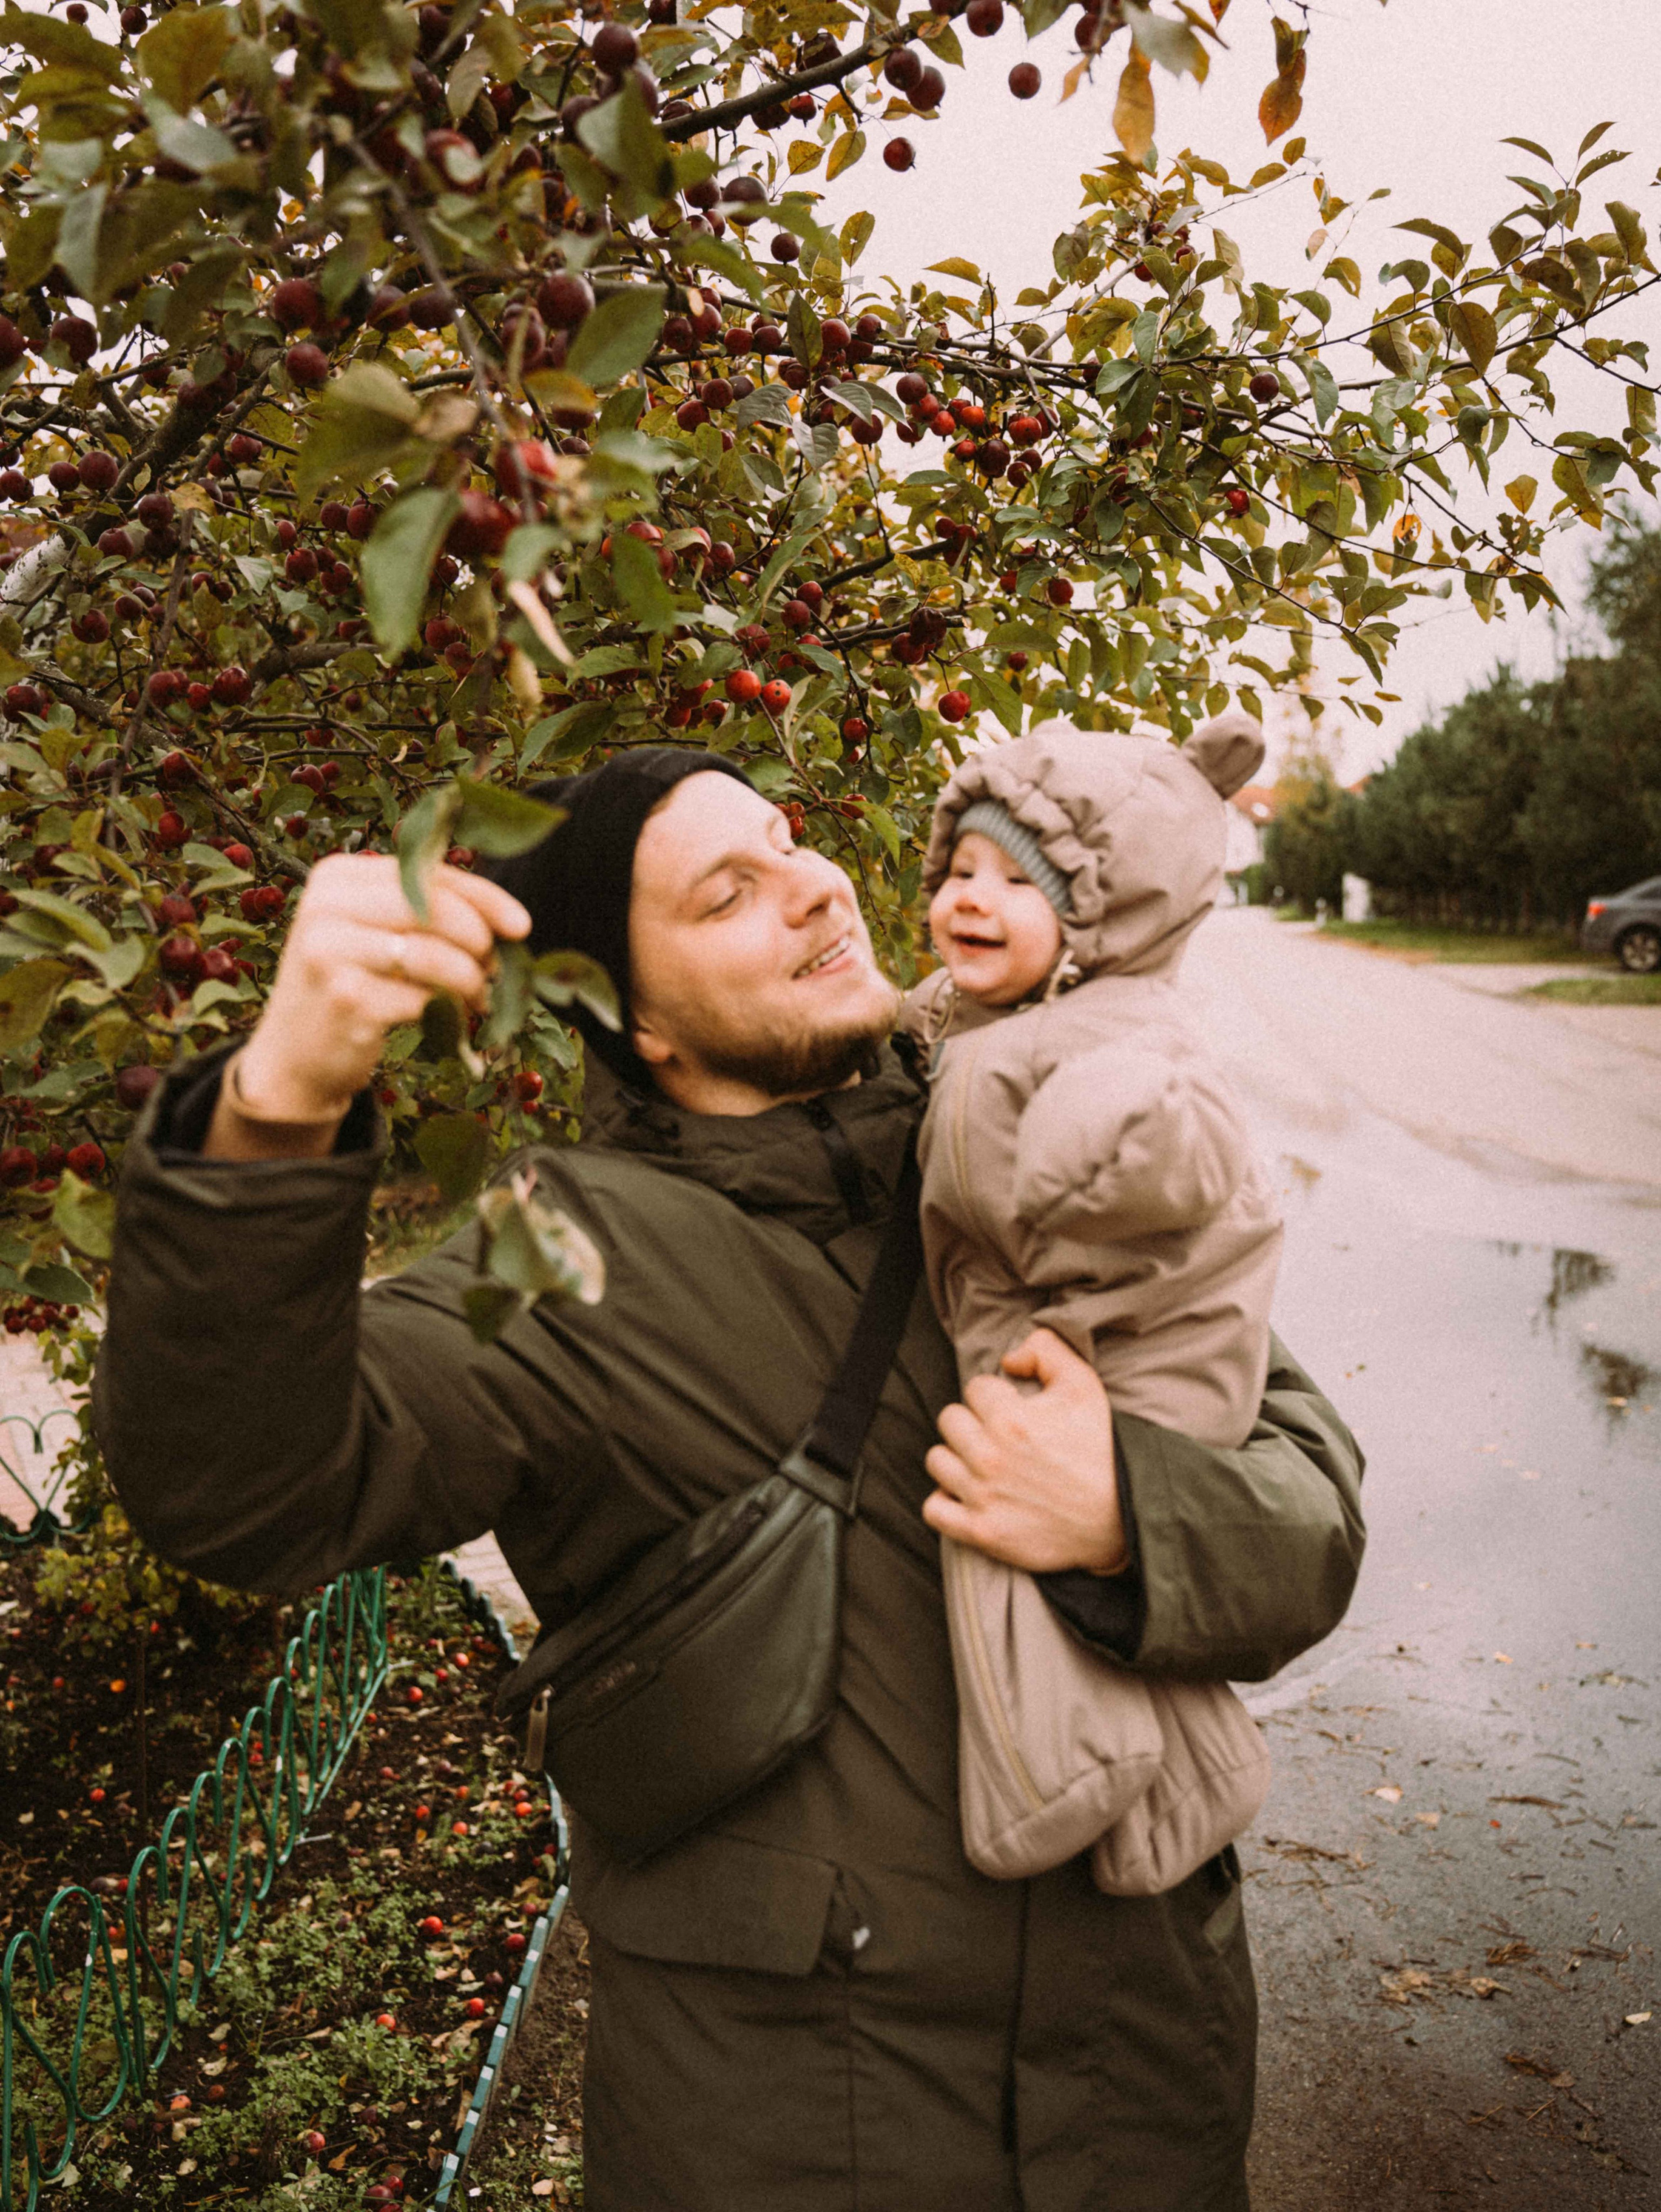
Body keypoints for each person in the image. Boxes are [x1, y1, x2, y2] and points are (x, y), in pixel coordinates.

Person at [92, 747, 1365, 2212]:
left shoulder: (1040, 1110)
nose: (816, 885)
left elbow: (1313, 1507)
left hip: (1150, 2101)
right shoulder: (565, 1260)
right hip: (801, 2139)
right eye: (729, 891)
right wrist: (277, 1101)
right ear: (627, 1011)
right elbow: (241, 1487)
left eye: (791, 842)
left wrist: (1129, 1516)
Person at [904, 715, 1284, 1897]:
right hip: (1067, 1326)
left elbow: (1180, 1137)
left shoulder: (1127, 1033)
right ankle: (1177, 1769)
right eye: (961, 868)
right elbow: (947, 1045)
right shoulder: (1003, 1013)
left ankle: (1060, 1779)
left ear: (1103, 922)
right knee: (1025, 1537)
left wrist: (1092, 1147)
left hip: (1149, 1345)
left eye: (1020, 881)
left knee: (1000, 1538)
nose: (973, 897)